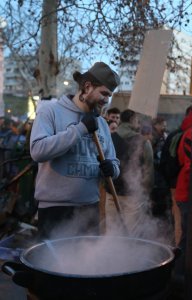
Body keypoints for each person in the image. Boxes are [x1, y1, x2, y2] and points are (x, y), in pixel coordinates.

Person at [30, 62, 120, 239]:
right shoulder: (51, 111)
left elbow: (113, 161)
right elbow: (37, 150)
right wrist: (80, 129)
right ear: (87, 87)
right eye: (103, 93)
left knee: (86, 266)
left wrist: (113, 169)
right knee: (53, 265)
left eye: (109, 95)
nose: (106, 100)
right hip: (55, 210)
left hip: (90, 210)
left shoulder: (101, 123)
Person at [106, 109, 154, 235]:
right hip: (133, 195)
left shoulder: (109, 139)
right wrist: (145, 192)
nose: (138, 123)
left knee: (111, 231)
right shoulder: (143, 142)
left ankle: (109, 254)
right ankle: (128, 254)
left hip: (111, 192)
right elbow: (148, 170)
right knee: (131, 234)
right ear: (132, 120)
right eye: (137, 120)